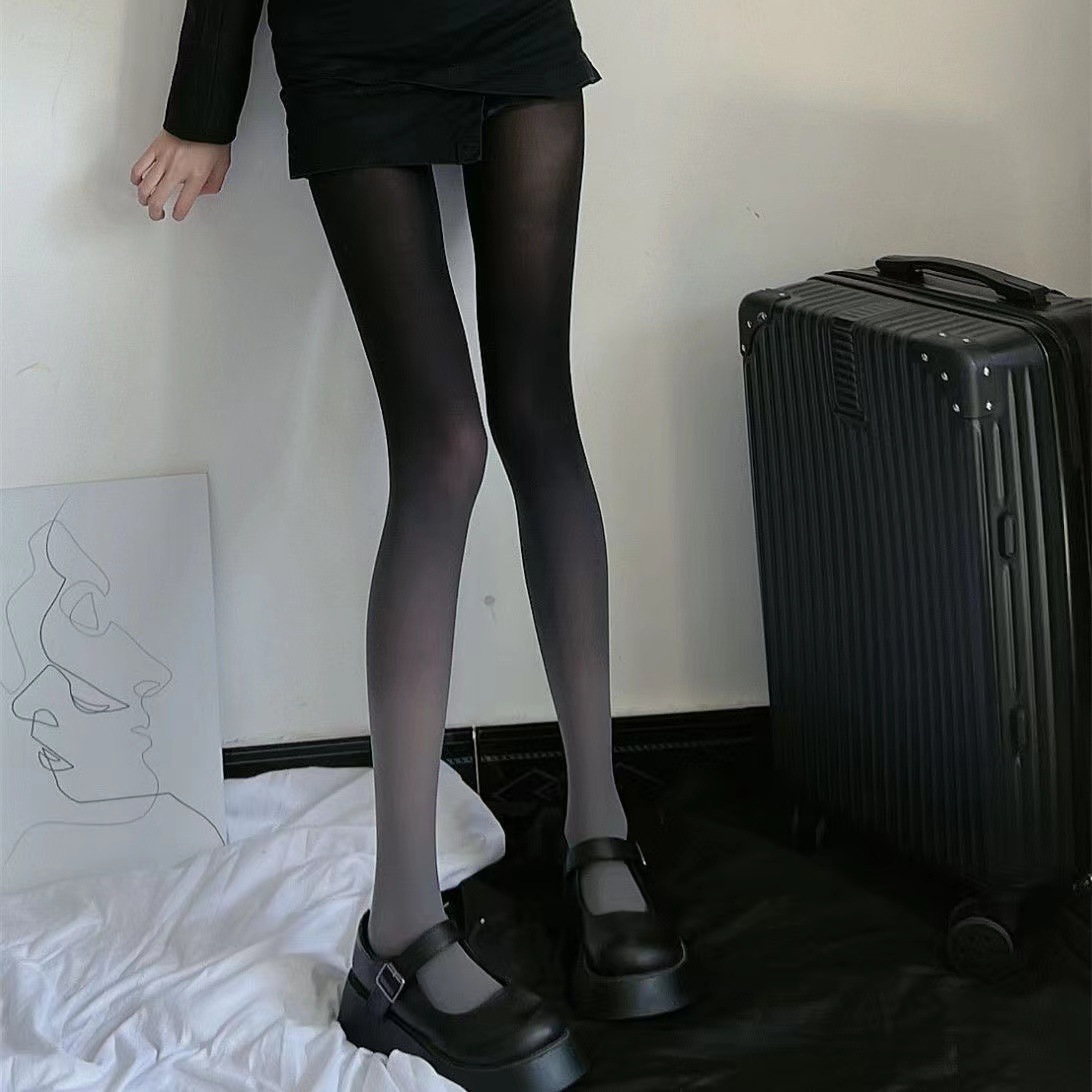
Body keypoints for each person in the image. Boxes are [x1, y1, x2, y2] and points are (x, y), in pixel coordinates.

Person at [130, 3, 695, 1088]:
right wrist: (202, 109)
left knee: (540, 413)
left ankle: (597, 828)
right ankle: (395, 932)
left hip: (511, 27)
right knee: (444, 447)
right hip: (351, 49)